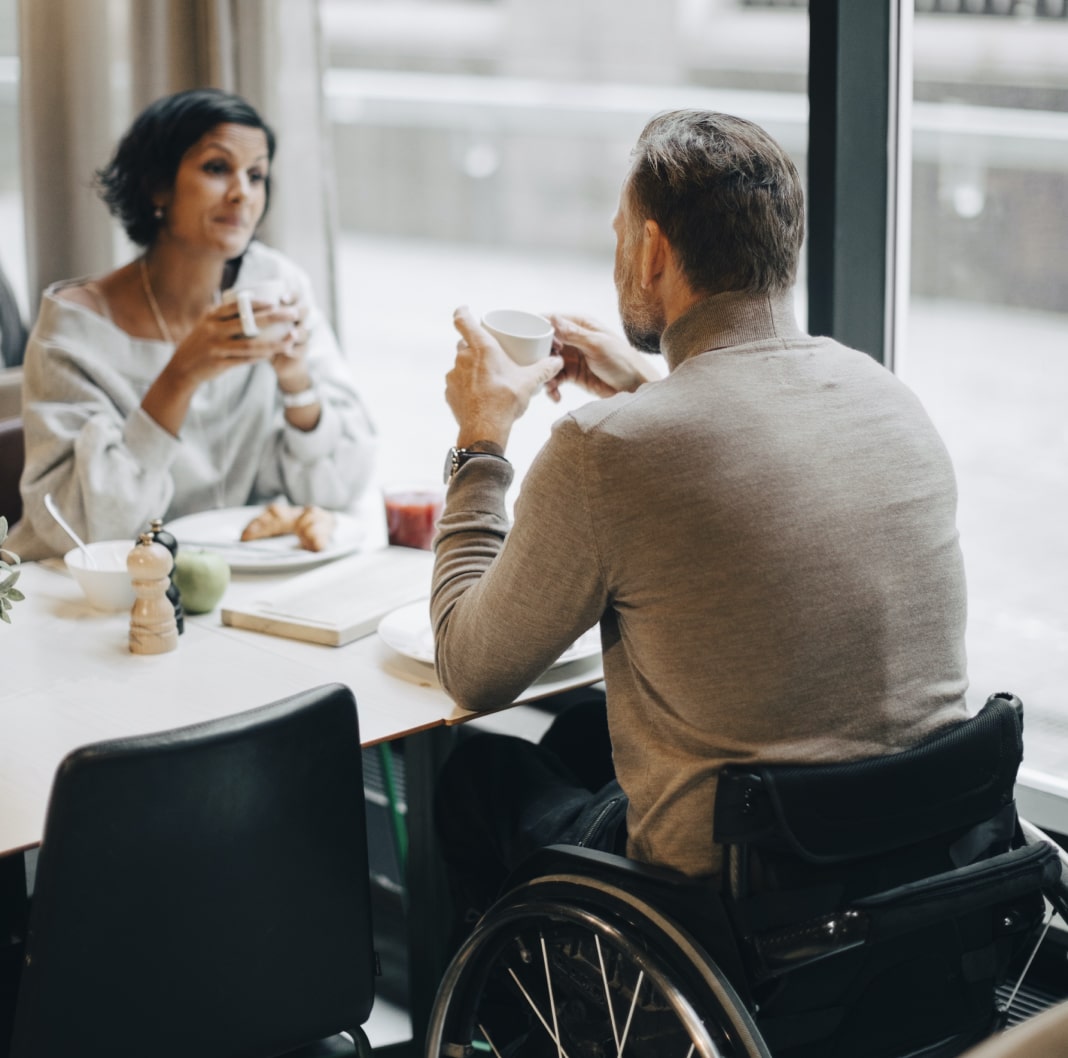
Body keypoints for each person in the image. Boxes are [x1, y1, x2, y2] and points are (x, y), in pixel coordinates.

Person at [431, 110, 970, 929]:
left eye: (619, 235)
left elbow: (472, 670)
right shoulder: (884, 394)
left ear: (652, 250)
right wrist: (649, 385)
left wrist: (480, 443)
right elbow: (755, 458)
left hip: (737, 906)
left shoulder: (603, 452)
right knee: (583, 730)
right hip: (918, 869)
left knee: (478, 777)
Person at [8, 88, 375, 560]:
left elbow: (342, 485)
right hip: (81, 594)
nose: (243, 192)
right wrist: (181, 375)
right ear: (157, 185)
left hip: (226, 583)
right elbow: (82, 530)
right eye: (217, 168)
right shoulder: (75, 332)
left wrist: (296, 382)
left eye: (257, 174)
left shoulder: (274, 287)